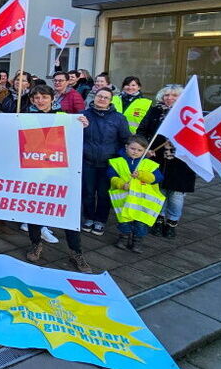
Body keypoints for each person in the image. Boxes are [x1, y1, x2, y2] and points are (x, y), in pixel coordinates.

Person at [23, 85, 92, 273]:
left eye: (44, 97)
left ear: (52, 98)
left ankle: (76, 251)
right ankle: (35, 244)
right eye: (36, 97)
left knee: (67, 212)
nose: (40, 100)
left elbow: (77, 137)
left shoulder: (65, 118)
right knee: (35, 211)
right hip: (35, 172)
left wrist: (82, 125)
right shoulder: (26, 118)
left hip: (60, 173)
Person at [137, 84, 194, 239]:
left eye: (174, 95)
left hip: (181, 161)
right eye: (166, 95)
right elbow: (142, 130)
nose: (169, 98)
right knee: (159, 191)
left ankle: (172, 223)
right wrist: (145, 147)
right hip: (157, 158)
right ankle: (159, 219)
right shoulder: (155, 111)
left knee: (176, 195)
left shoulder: (189, 114)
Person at [81, 87, 131, 236]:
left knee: (104, 194)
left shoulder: (118, 118)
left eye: (106, 97)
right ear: (94, 97)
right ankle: (89, 218)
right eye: (99, 96)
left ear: (110, 100)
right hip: (87, 161)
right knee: (88, 193)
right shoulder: (83, 115)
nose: (102, 99)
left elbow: (125, 139)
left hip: (108, 163)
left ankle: (100, 221)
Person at [108, 135, 164, 253]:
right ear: (126, 147)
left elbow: (158, 178)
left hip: (142, 201)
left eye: (140, 150)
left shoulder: (149, 164)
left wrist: (142, 175)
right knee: (124, 219)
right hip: (125, 199)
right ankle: (123, 238)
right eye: (133, 148)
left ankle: (137, 242)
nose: (136, 152)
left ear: (145, 151)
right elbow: (111, 176)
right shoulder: (117, 162)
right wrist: (121, 184)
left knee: (141, 222)